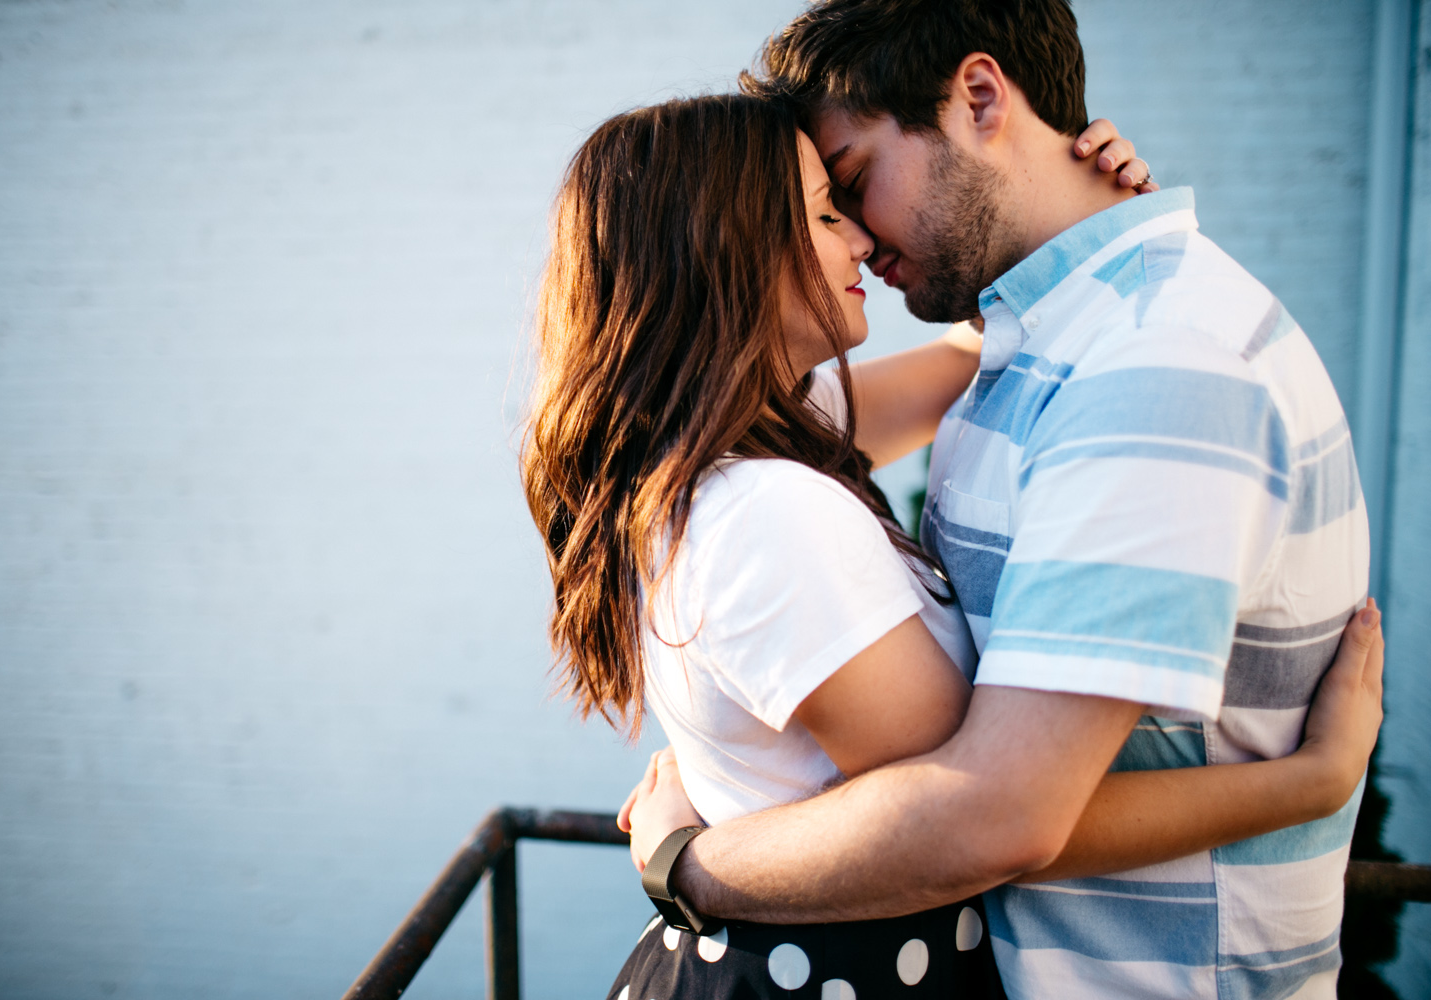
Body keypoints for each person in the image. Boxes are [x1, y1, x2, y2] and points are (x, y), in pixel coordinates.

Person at [523, 89, 1384, 998]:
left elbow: (983, 358)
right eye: (825, 211)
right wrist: (1310, 781)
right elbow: (987, 815)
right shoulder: (762, 508)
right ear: (720, 250)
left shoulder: (728, 442)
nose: (857, 238)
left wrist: (1084, 221)